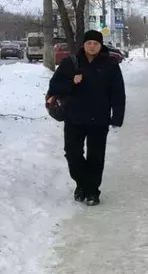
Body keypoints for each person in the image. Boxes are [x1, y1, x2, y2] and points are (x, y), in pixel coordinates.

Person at [46, 30, 126, 205]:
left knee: (96, 156)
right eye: (89, 43)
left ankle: (92, 192)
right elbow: (54, 87)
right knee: (72, 153)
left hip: (99, 117)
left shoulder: (110, 64)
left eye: (96, 43)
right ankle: (82, 183)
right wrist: (71, 82)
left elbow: (118, 91)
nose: (92, 46)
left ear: (101, 45)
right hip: (74, 117)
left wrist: (117, 115)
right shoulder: (70, 63)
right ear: (83, 45)